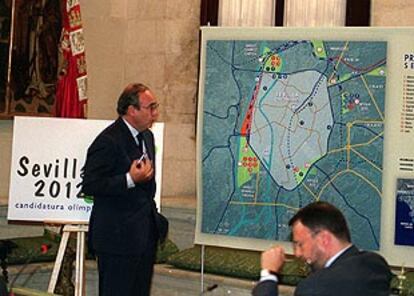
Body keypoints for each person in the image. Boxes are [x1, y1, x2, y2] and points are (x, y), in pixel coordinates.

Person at [82, 83, 164, 296]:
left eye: (156, 107)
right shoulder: (108, 141)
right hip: (116, 239)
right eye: (150, 107)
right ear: (132, 110)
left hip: (144, 236)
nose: (155, 113)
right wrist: (129, 179)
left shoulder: (147, 136)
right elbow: (91, 184)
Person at [252, 201, 392, 296]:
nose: (297, 253)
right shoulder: (376, 265)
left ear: (324, 239)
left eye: (300, 244)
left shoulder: (314, 288)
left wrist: (269, 275)